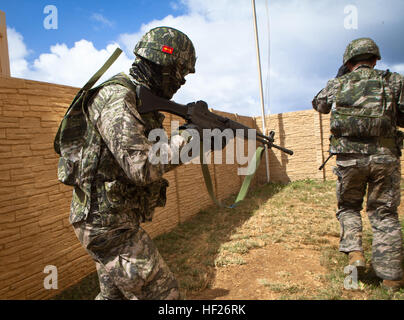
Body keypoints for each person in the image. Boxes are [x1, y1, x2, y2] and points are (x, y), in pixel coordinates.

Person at [57, 26, 196, 300]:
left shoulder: (139, 99)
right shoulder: (118, 98)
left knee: (114, 297)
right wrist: (191, 139)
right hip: (106, 226)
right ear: (164, 65)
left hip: (110, 220)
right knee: (164, 294)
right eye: (181, 72)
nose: (182, 82)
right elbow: (141, 166)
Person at [312, 37, 404, 291]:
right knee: (384, 213)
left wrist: (340, 79)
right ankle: (391, 278)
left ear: (349, 62)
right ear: (375, 60)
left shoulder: (338, 83)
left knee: (349, 207)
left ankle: (355, 252)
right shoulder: (393, 81)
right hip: (385, 159)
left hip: (349, 159)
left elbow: (319, 105)